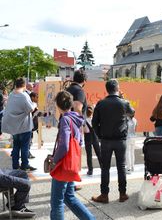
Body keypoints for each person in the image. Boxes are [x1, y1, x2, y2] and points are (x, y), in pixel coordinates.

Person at [50, 91, 96, 220]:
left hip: (63, 165)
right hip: (72, 163)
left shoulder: (65, 119)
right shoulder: (76, 118)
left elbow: (64, 145)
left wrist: (55, 159)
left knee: (57, 202)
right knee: (69, 197)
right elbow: (79, 141)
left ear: (58, 106)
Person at [91, 79, 135, 204]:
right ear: (117, 88)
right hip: (120, 140)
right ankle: (122, 194)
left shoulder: (101, 103)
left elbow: (94, 122)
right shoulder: (124, 103)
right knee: (121, 167)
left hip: (105, 140)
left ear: (107, 89)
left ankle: (104, 195)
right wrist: (123, 98)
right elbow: (132, 112)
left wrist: (100, 135)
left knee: (105, 168)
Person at [2, 78, 36, 171]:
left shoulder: (11, 95)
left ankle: (15, 166)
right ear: (24, 85)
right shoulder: (24, 95)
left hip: (14, 127)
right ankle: (25, 165)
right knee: (25, 147)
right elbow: (30, 109)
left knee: (16, 146)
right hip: (24, 126)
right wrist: (34, 104)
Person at [84, 105, 101, 176]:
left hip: (87, 138)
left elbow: (85, 131)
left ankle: (90, 170)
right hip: (95, 138)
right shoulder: (94, 120)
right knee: (99, 153)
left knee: (89, 155)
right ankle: (103, 168)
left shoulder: (84, 121)